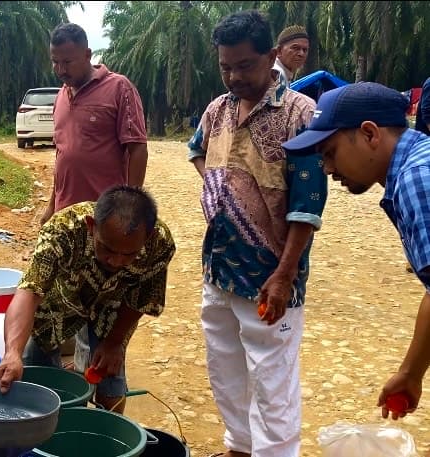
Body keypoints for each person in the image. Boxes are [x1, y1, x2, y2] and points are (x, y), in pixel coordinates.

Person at [187, 11, 326, 457]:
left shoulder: (301, 115)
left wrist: (285, 275)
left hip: (270, 274)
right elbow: (196, 150)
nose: (234, 77)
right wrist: (219, 190)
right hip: (219, 268)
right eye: (225, 67)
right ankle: (240, 445)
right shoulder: (218, 109)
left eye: (244, 66)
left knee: (272, 379)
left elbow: (307, 206)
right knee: (225, 368)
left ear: (271, 57)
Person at [281, 82, 430, 427]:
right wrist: (411, 373)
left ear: (370, 134)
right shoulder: (418, 160)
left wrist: (410, 373)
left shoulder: (417, 179)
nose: (327, 169)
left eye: (330, 153)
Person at [0, 186, 176, 414]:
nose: (116, 261)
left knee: (110, 380)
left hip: (113, 309)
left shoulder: (160, 243)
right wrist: (12, 352)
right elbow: (30, 291)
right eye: (107, 249)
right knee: (36, 377)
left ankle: (108, 429)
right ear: (91, 226)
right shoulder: (62, 229)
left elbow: (141, 299)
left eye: (129, 254)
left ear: (148, 236)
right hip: (58, 305)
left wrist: (114, 342)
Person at [39, 23, 148, 226]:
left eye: (67, 62)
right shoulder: (61, 96)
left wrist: (131, 206)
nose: (61, 70)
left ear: (87, 55)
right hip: (66, 217)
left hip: (106, 216)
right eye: (55, 62)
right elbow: (62, 156)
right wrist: (51, 206)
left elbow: (138, 149)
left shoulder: (119, 88)